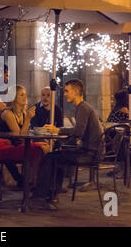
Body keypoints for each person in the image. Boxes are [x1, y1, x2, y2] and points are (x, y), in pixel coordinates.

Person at [35, 79, 103, 210]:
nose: (64, 94)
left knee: (51, 158)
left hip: (90, 154)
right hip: (91, 151)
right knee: (56, 156)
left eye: (67, 91)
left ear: (76, 92)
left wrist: (58, 130)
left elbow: (78, 132)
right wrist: (63, 143)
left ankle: (41, 196)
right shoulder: (83, 107)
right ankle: (51, 195)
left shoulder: (83, 108)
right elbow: (78, 134)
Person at [0, 85, 48, 187]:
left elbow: (25, 134)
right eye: (21, 95)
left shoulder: (23, 113)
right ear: (14, 97)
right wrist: (28, 119)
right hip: (3, 147)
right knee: (40, 148)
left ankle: (37, 181)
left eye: (25, 95)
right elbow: (19, 136)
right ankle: (37, 182)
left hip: (16, 145)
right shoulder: (8, 114)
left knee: (45, 145)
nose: (25, 97)